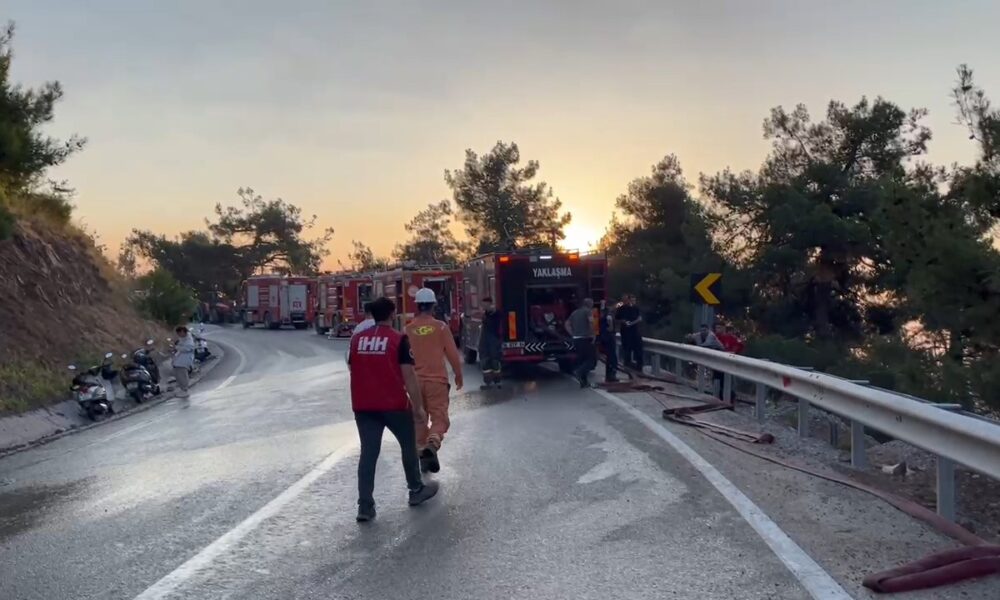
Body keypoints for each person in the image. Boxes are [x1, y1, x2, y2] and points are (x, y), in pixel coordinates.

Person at [348, 296, 438, 522]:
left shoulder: (357, 340)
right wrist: (418, 407)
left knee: (368, 453)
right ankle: (415, 489)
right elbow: (410, 377)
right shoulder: (398, 340)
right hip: (394, 405)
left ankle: (365, 506)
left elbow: (351, 366)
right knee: (408, 445)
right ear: (391, 314)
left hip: (363, 406)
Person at [406, 288, 464, 474]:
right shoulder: (441, 327)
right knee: (440, 418)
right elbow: (452, 353)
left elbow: (401, 360)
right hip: (437, 382)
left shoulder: (408, 329)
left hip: (414, 383)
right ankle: (433, 443)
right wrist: (458, 374)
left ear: (417, 306)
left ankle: (423, 455)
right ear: (433, 306)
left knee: (419, 419)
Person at [565, 298, 597, 388]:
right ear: (590, 304)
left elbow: (566, 324)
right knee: (591, 360)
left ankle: (584, 382)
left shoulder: (575, 312)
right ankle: (578, 371)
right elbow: (591, 323)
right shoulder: (588, 311)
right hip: (585, 338)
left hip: (576, 339)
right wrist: (593, 334)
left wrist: (572, 333)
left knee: (582, 360)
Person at [478, 297, 503, 389]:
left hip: (493, 340)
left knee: (495, 361)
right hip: (485, 341)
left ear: (489, 304)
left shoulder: (496, 314)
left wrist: (485, 316)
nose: (483, 306)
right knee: (485, 361)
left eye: (484, 304)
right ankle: (488, 382)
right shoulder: (486, 314)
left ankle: (497, 381)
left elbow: (493, 325)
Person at [615, 294, 644, 370]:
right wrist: (623, 321)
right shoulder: (621, 308)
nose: (633, 302)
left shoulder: (636, 308)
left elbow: (639, 318)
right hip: (626, 332)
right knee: (627, 349)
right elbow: (616, 319)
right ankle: (627, 365)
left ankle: (639, 366)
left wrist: (634, 322)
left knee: (638, 348)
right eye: (631, 300)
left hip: (635, 331)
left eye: (634, 300)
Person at [597, 299, 619, 383]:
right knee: (612, 357)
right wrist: (611, 330)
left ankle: (608, 375)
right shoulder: (609, 315)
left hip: (604, 337)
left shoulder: (603, 314)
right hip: (609, 337)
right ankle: (612, 375)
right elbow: (610, 327)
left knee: (608, 357)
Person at [171, 325, 196, 398]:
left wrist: (177, 347)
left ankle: (185, 390)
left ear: (182, 332)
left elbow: (188, 348)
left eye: (179, 333)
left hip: (185, 359)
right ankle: (182, 389)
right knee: (178, 374)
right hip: (179, 359)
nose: (178, 335)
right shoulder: (182, 338)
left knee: (182, 374)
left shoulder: (189, 339)